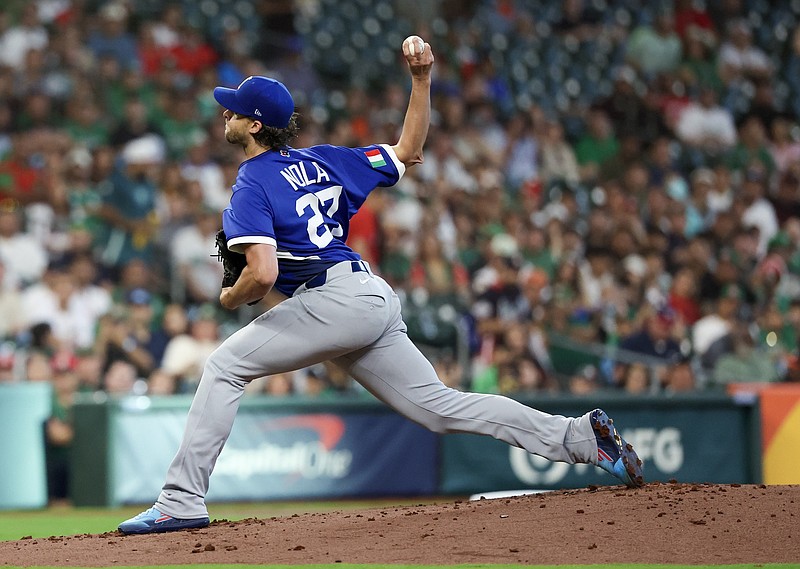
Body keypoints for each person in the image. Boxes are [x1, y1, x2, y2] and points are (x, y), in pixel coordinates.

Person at [118, 36, 644, 535]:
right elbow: (409, 149)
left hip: (334, 302)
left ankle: (180, 501)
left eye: (233, 110)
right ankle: (580, 438)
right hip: (369, 295)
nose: (224, 114)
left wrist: (230, 295)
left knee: (224, 366)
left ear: (254, 125)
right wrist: (421, 80)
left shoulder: (252, 180)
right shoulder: (326, 158)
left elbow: (264, 275)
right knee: (441, 408)